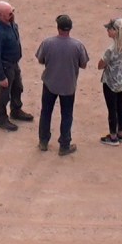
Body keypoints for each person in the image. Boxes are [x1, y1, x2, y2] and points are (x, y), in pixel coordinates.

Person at [34, 14, 92, 154]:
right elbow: (83, 64)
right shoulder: (77, 45)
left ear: (58, 27)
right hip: (68, 85)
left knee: (46, 112)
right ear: (70, 28)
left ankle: (43, 141)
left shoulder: (47, 43)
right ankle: (64, 145)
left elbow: (41, 60)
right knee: (67, 114)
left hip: (50, 83)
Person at [0, 1, 29, 131]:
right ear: (0, 15)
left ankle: (16, 110)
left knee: (18, 88)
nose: (12, 15)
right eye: (9, 13)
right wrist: (1, 76)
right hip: (5, 67)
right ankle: (1, 118)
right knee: (4, 94)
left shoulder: (11, 23)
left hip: (14, 64)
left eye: (12, 12)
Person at [97, 17, 122, 145]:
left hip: (110, 81)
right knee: (121, 106)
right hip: (121, 79)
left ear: (115, 31)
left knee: (112, 108)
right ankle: (120, 132)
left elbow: (100, 65)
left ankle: (113, 136)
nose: (108, 31)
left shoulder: (111, 49)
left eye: (110, 29)